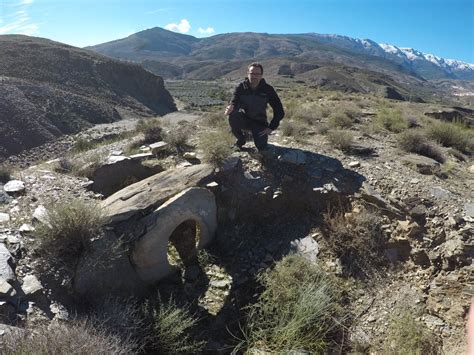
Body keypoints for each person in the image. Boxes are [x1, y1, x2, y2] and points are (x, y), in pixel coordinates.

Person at [224, 62, 284, 151]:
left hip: (260, 123)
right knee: (233, 114)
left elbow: (279, 110)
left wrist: (271, 127)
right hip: (245, 120)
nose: (254, 76)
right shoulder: (241, 87)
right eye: (252, 73)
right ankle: (241, 139)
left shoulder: (268, 89)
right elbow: (234, 100)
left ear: (261, 75)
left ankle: (254, 135)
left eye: (257, 74)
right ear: (248, 74)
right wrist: (230, 106)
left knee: (262, 147)